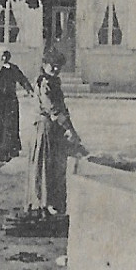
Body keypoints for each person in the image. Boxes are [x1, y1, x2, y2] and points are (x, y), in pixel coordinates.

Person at [26, 49, 86, 214]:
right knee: (45, 165)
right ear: (45, 65)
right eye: (52, 66)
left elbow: (63, 109)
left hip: (55, 129)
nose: (55, 69)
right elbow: (53, 109)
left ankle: (53, 204)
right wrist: (69, 130)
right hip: (45, 128)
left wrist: (71, 129)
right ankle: (43, 204)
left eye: (58, 66)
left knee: (56, 166)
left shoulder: (54, 82)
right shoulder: (44, 83)